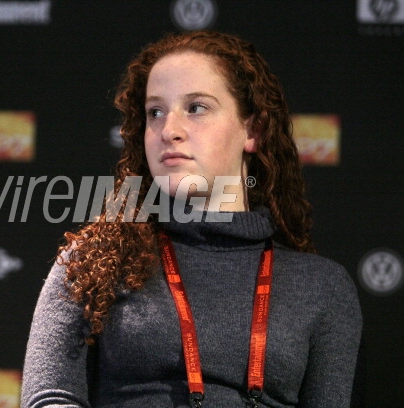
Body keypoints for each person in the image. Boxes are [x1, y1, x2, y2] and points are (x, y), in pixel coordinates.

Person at [21, 30, 363, 407]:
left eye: (196, 107)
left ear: (253, 130)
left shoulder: (322, 286)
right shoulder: (95, 261)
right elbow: (50, 397)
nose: (170, 131)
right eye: (155, 112)